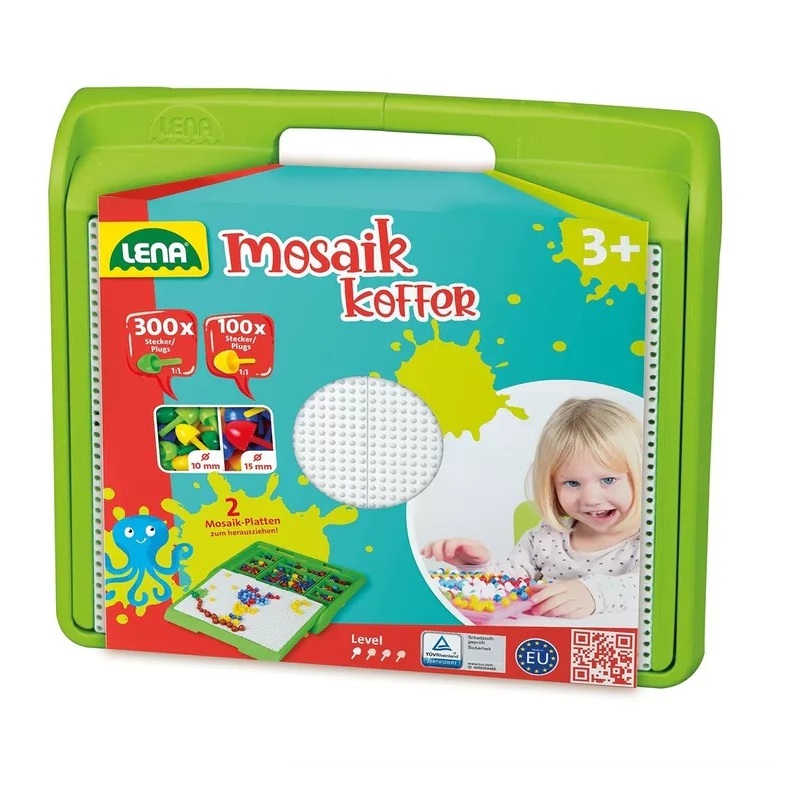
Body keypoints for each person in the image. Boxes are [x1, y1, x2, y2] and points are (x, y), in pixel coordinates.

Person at [421, 397, 642, 618]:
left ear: (642, 474)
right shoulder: (544, 538)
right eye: (572, 483)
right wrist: (475, 567)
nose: (590, 498)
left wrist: (595, 593)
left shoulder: (651, 543)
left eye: (608, 480)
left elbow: (647, 589)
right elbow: (503, 586)